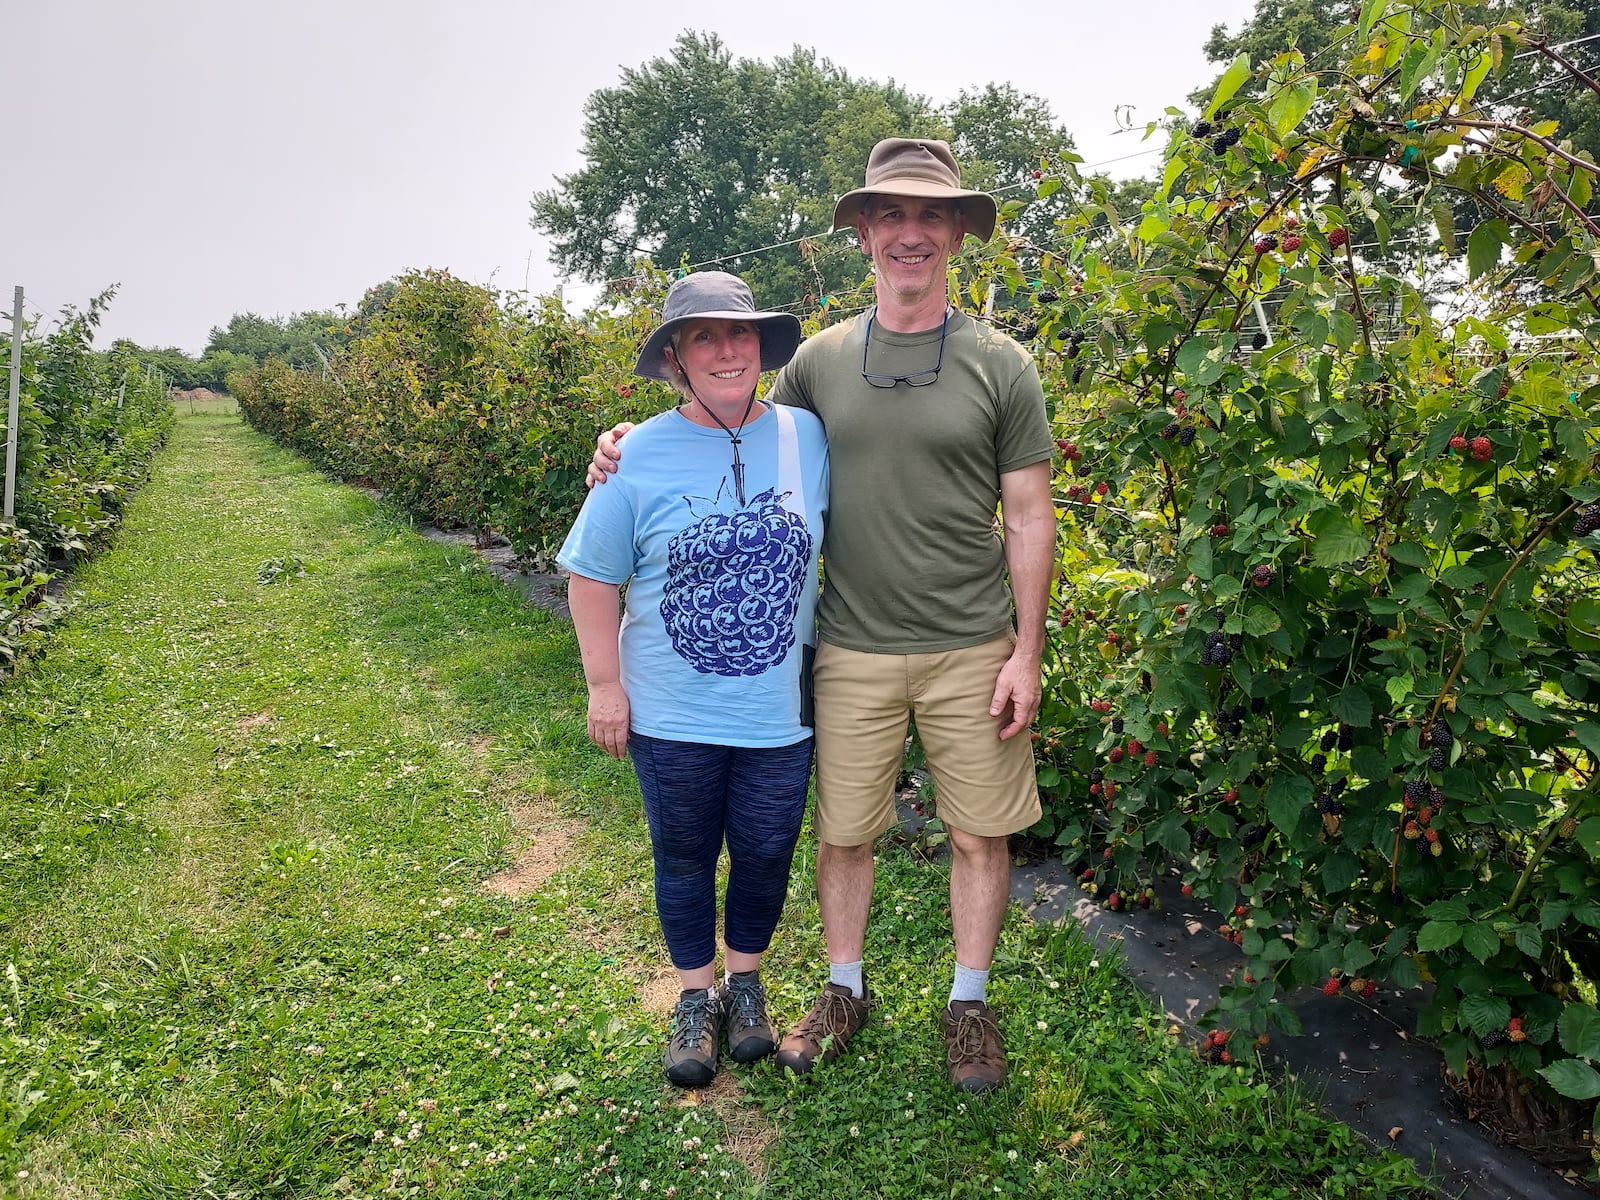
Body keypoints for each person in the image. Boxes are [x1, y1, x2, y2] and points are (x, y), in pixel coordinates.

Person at [590, 139, 1056, 1093]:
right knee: (845, 831)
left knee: (980, 833)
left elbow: (1029, 513)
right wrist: (622, 447)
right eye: (890, 215)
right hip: (847, 645)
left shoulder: (1001, 366)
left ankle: (970, 1004)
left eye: (931, 216)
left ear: (958, 233)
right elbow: (733, 420)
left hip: (973, 641)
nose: (911, 233)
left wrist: (1027, 651)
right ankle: (844, 989)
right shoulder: (819, 364)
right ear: (863, 235)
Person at [558, 270, 829, 1087]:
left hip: (778, 710)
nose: (724, 350)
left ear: (761, 347)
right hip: (671, 710)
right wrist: (605, 687)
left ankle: (744, 985)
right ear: (675, 357)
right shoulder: (636, 452)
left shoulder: (807, 436)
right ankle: (693, 997)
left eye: (738, 334)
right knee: (682, 854)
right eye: (702, 337)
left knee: (767, 849)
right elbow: (591, 578)